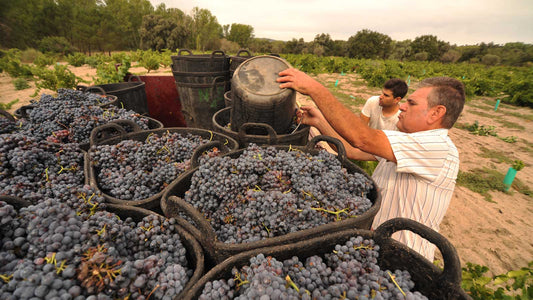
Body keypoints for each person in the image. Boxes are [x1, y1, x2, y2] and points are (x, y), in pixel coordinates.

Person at [277, 69, 465, 262]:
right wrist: (319, 121)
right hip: (375, 245)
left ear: (436, 113)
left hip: (402, 257)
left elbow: (363, 139)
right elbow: (351, 149)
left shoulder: (438, 148)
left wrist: (314, 88)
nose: (402, 107)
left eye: (412, 103)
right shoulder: (407, 141)